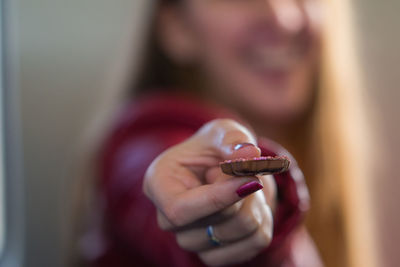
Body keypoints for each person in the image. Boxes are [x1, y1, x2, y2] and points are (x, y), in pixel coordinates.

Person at [75, 0, 372, 266]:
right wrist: (236, 212)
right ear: (176, 26)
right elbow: (149, 180)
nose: (284, 16)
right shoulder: (144, 140)